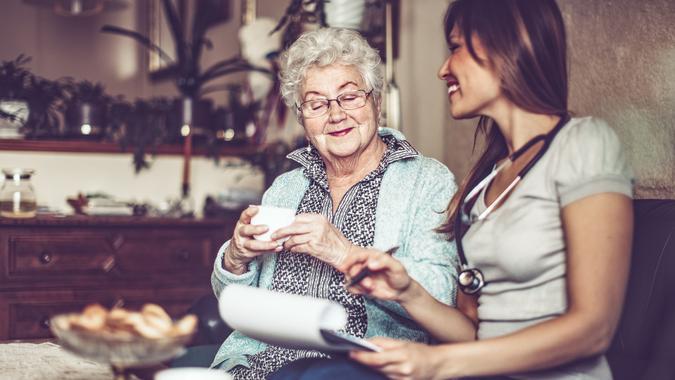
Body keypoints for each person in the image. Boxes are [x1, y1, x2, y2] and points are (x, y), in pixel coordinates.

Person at [343, 0, 634, 379]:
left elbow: (594, 330)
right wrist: (406, 291)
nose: (442, 69)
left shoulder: (585, 144)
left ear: (505, 46)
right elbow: (477, 334)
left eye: (456, 47)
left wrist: (437, 363)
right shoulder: (485, 183)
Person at [210, 27, 459, 379]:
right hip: (262, 359)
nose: (336, 114)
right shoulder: (286, 187)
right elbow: (236, 302)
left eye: (350, 96)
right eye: (317, 104)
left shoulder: (426, 181)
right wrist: (235, 258)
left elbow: (443, 293)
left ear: (375, 101)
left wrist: (344, 253)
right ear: (303, 118)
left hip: (363, 363)